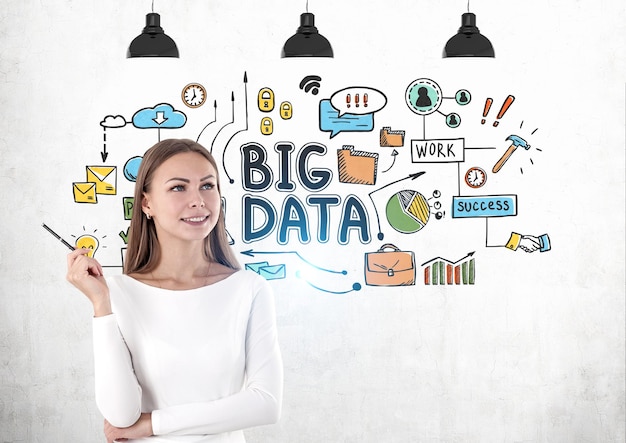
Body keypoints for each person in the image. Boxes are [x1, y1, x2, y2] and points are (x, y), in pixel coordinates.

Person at [66, 139, 283, 442]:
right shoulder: (116, 292)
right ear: (146, 203)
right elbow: (120, 417)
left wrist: (153, 424)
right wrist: (101, 305)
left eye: (207, 186)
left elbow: (266, 404)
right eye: (179, 188)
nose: (198, 200)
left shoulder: (248, 289)